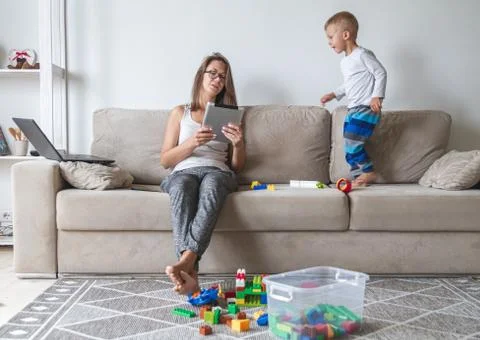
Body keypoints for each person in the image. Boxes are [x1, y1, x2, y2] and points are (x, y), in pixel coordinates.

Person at [160, 52, 245, 295]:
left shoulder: (230, 115)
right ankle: (190, 270)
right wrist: (191, 143)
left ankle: (186, 265)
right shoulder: (180, 112)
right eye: (213, 73)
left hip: (217, 171)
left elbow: (237, 167)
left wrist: (238, 144)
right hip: (183, 172)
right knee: (182, 186)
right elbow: (165, 160)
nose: (218, 80)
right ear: (201, 75)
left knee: (213, 183)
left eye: (223, 77)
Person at [320, 11, 387, 187]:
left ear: (346, 35)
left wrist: (376, 96)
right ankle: (360, 178)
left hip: (366, 108)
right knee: (348, 148)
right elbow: (348, 85)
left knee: (352, 143)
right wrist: (334, 94)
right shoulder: (345, 61)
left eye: (331, 37)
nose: (329, 42)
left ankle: (369, 171)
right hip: (353, 109)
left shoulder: (363, 54)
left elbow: (380, 72)